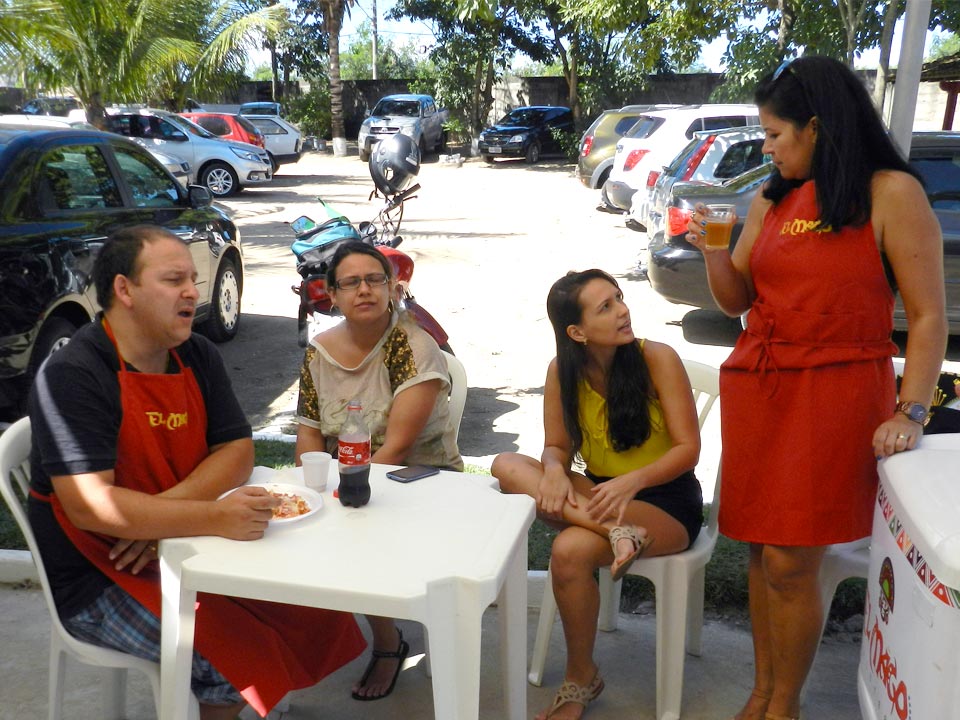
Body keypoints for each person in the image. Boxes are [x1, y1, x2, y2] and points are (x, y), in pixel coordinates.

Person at [685, 56, 947, 720]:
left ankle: (785, 704)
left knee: (791, 562)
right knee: (760, 551)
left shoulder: (890, 193)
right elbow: (737, 300)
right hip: (762, 388)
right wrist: (713, 250)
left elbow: (927, 317)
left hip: (834, 393)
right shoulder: (771, 199)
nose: (766, 148)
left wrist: (912, 410)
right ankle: (763, 691)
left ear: (817, 126)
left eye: (775, 134)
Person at [27, 225, 367, 720]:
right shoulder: (75, 374)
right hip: (100, 577)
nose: (192, 290)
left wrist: (160, 522)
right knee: (232, 657)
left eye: (192, 278)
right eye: (173, 280)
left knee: (312, 606)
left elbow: (237, 450)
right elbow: (90, 506)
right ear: (124, 289)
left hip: (177, 544)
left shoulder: (195, 354)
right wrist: (211, 517)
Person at [491, 269, 703, 720]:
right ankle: (616, 531)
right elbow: (557, 445)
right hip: (601, 495)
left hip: (666, 500)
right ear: (577, 332)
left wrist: (633, 481)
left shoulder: (657, 358)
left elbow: (689, 450)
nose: (623, 311)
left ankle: (580, 678)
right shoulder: (562, 371)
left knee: (569, 550)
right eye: (606, 307)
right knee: (505, 464)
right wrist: (553, 469)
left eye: (619, 298)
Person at [295, 239, 463, 701]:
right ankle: (297, 644)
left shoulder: (413, 344)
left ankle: (387, 643)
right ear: (332, 295)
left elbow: (398, 446)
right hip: (345, 479)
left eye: (374, 280)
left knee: (356, 530)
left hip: (419, 480)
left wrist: (341, 494)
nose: (364, 290)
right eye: (351, 283)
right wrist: (312, 487)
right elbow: (309, 432)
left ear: (392, 287)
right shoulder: (319, 352)